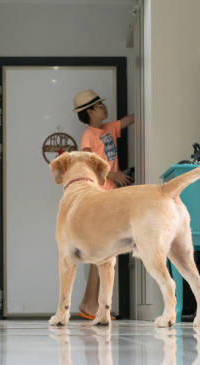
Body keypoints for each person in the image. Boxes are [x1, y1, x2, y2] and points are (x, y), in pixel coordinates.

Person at [72, 89, 135, 319]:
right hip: (99, 196)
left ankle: (91, 304)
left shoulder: (108, 129)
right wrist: (112, 176)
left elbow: (131, 119)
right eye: (99, 106)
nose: (104, 108)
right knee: (103, 253)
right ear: (90, 112)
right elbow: (88, 165)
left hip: (110, 197)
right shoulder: (88, 136)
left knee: (104, 252)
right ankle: (92, 304)